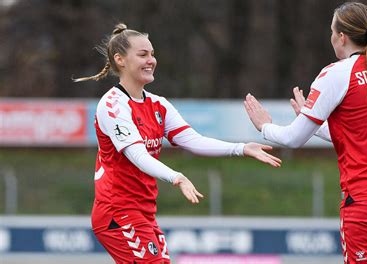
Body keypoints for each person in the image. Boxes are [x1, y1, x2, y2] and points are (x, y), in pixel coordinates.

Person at [74, 23, 281, 263]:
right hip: (116, 212)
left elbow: (193, 140)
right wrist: (176, 177)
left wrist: (242, 147)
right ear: (120, 60)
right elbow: (138, 156)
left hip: (143, 211)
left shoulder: (157, 104)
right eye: (143, 55)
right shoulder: (112, 106)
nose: (151, 60)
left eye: (152, 54)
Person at [244, 2, 367, 263]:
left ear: (342, 37)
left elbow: (293, 138)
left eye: (331, 31)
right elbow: (361, 135)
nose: (330, 38)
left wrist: (264, 127)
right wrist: (313, 123)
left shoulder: (337, 73)